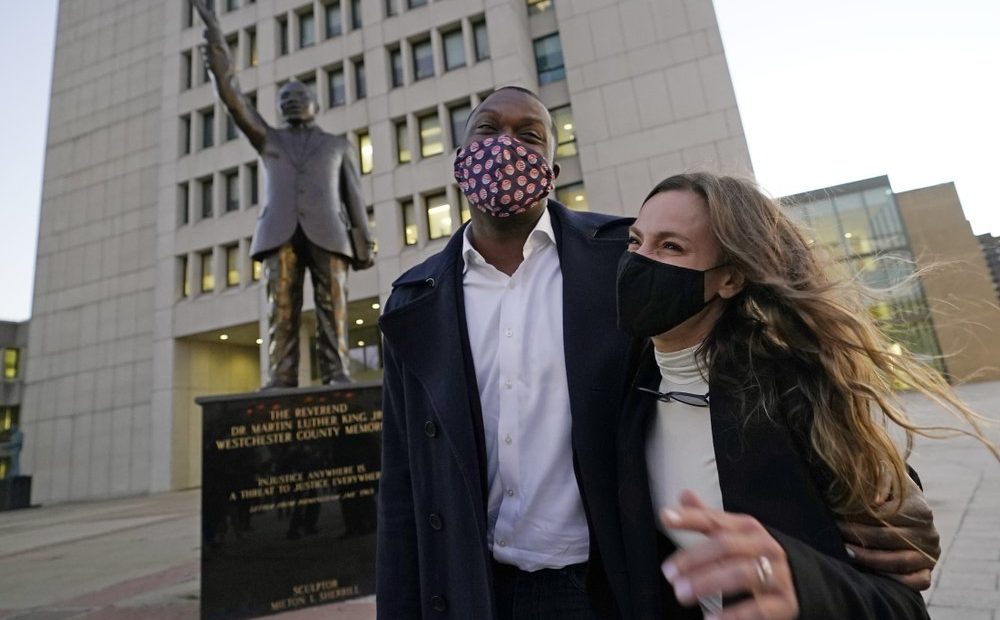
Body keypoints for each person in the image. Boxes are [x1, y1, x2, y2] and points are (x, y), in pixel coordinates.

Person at [376, 88, 940, 619]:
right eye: (488, 129)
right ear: (459, 156)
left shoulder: (616, 258)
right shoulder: (414, 301)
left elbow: (745, 350)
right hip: (479, 585)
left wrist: (887, 498)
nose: (505, 146)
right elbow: (402, 484)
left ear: (551, 170)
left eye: (530, 136)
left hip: (608, 582)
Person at [613, 172, 997, 618]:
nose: (640, 260)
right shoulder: (629, 390)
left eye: (671, 247)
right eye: (635, 241)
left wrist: (806, 583)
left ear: (731, 279)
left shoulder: (793, 394)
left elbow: (901, 602)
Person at [192, 0, 375, 388]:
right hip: (279, 234)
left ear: (314, 105)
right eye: (283, 98)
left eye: (297, 96)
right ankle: (281, 375)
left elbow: (353, 197)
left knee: (334, 308)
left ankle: (337, 372)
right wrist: (213, 36)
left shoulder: (337, 145)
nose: (290, 100)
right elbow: (232, 95)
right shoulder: (268, 138)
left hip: (330, 233)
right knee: (282, 309)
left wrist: (365, 242)